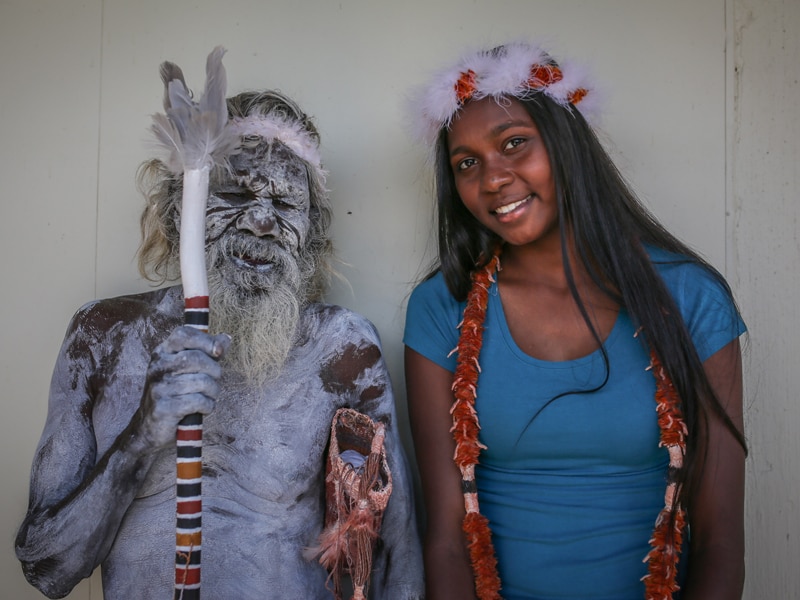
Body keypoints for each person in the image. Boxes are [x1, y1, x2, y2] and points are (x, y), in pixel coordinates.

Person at [15, 85, 423, 599]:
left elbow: (395, 561)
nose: (261, 221)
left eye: (284, 204)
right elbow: (46, 569)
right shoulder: (105, 336)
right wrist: (144, 432)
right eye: (234, 194)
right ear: (177, 210)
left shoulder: (340, 348)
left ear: (312, 233)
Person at [403, 41, 746, 600]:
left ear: (566, 145)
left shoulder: (689, 297)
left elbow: (721, 539)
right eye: (467, 163)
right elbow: (444, 539)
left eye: (514, 144)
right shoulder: (443, 306)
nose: (492, 179)